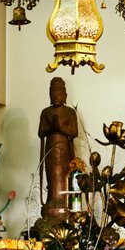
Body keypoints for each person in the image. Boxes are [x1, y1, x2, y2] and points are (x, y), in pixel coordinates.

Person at [37, 77, 79, 219]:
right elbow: (41, 133)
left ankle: (64, 203)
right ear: (49, 95)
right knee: (52, 177)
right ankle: (51, 202)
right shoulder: (45, 112)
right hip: (50, 150)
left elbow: (74, 133)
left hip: (64, 150)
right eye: (53, 94)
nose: (56, 96)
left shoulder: (70, 112)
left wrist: (60, 128)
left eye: (59, 93)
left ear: (65, 95)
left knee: (64, 175)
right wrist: (51, 128)